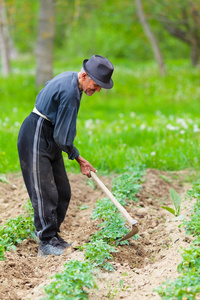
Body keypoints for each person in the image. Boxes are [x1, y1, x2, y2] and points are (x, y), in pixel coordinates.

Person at [17, 55, 114, 257]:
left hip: (49, 135)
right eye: (96, 85)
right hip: (37, 133)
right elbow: (63, 136)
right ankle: (46, 243)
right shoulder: (70, 93)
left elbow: (47, 88)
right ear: (85, 75)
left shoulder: (71, 80)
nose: (96, 91)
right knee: (45, 193)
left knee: (62, 191)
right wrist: (78, 158)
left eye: (99, 88)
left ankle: (53, 236)